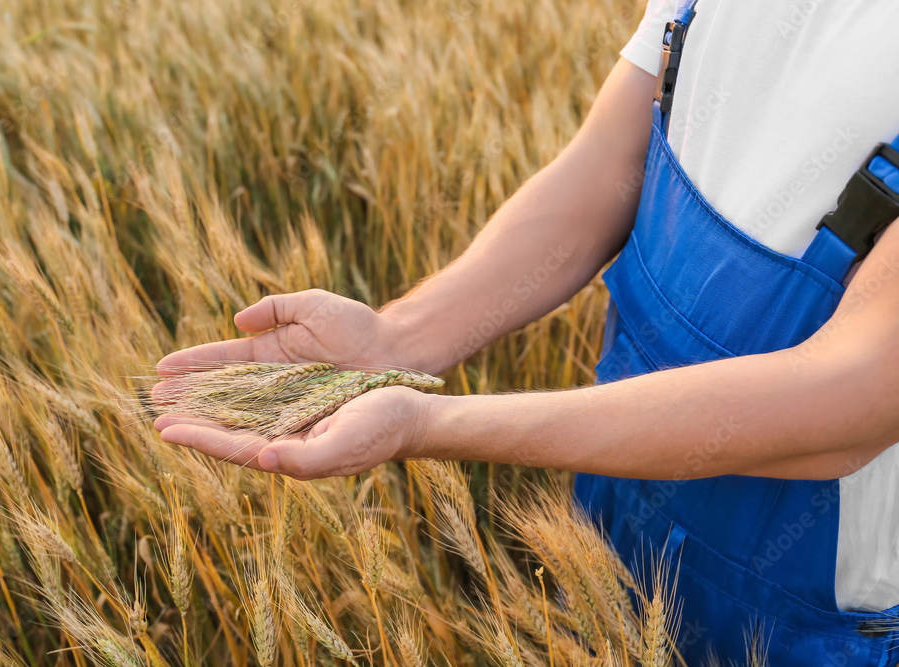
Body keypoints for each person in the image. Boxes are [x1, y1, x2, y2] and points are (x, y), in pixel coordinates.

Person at [153, 1, 899, 662]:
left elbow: (844, 398)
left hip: (815, 621)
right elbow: (611, 164)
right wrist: (396, 340)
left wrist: (424, 420)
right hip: (609, 513)